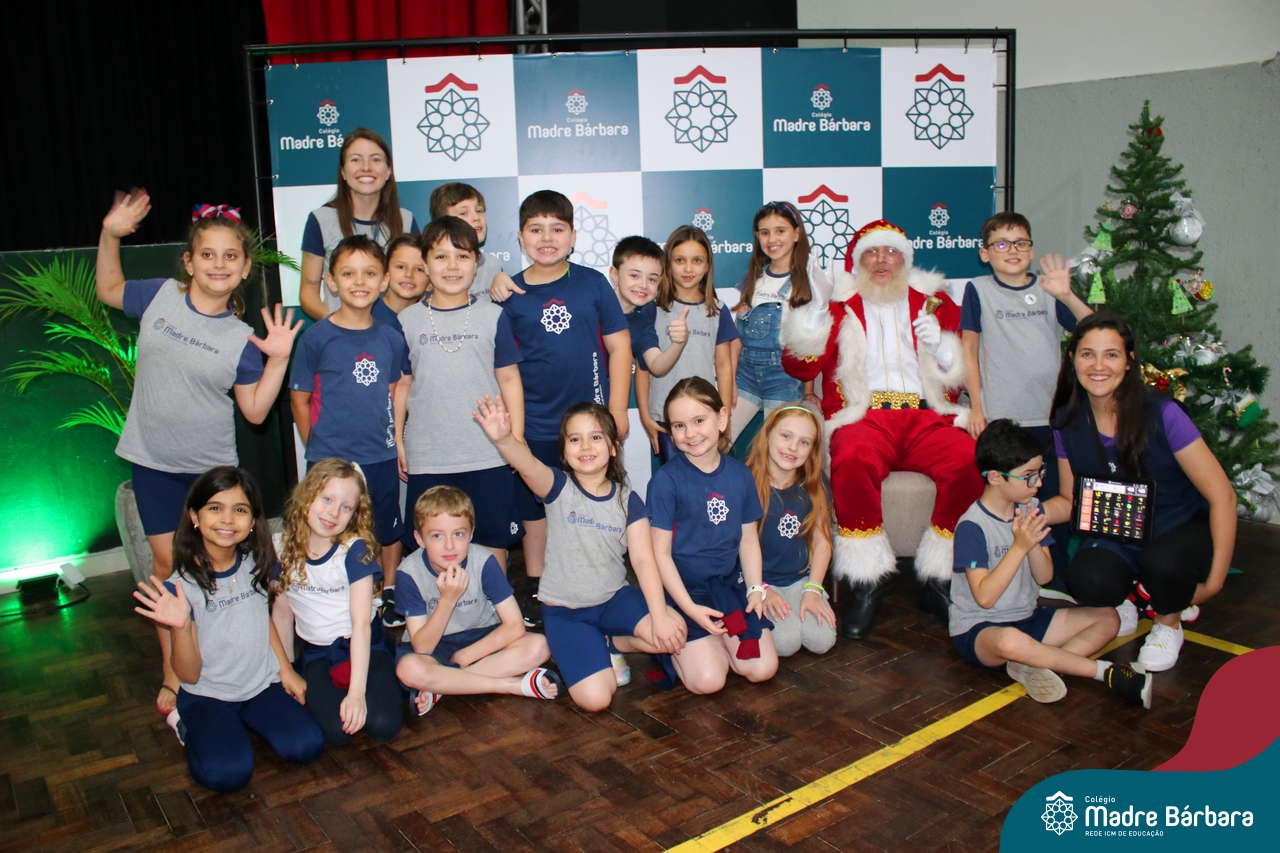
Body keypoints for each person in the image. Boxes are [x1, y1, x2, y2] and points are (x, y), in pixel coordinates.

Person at [97, 190, 300, 716]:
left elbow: (255, 411)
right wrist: (111, 233)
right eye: (207, 254)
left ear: (245, 268)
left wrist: (278, 360)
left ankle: (232, 663)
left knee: (217, 570)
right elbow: (108, 288)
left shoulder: (242, 338)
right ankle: (174, 672)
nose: (218, 264)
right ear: (189, 262)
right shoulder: (159, 296)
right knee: (169, 567)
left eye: (230, 256)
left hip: (209, 475)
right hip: (152, 464)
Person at [780, 219, 984, 641]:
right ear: (858, 262)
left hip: (926, 415)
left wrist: (942, 349)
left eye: (890, 252)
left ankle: (938, 578)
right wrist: (815, 311)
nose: (881, 261)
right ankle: (866, 582)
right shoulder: (840, 305)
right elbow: (797, 366)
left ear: (904, 259)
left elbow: (962, 373)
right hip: (866, 416)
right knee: (853, 459)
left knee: (968, 460)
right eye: (871, 253)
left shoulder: (934, 302)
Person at [1042, 313, 1237, 671]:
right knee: (1087, 578)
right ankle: (1127, 599)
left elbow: (1223, 497)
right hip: (1121, 530)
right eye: (1087, 354)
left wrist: (1214, 584)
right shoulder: (1067, 420)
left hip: (1177, 525)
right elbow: (1070, 500)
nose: (1098, 365)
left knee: (1163, 563)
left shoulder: (1163, 414)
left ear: (1130, 361)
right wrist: (1031, 513)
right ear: (1072, 359)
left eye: (1111, 354)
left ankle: (1168, 621)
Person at [475, 397, 687, 711]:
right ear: (564, 451)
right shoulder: (557, 487)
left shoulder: (628, 500)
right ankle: (595, 644)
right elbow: (527, 464)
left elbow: (644, 561)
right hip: (566, 613)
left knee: (672, 631)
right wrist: (504, 439)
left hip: (614, 600)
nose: (585, 446)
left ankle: (611, 641)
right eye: (575, 439)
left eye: (595, 437)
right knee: (597, 699)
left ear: (613, 447)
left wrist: (659, 617)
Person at [489, 190, 632, 628]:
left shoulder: (592, 283)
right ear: (520, 237)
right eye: (536, 229)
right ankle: (536, 584)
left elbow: (619, 346)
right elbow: (506, 369)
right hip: (535, 424)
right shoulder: (509, 294)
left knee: (593, 501)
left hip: (591, 423)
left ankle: (601, 580)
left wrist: (618, 409)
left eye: (557, 229)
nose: (546, 238)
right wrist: (515, 433)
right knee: (536, 510)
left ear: (572, 236)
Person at [132, 467, 324, 793]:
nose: (227, 519)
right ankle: (186, 726)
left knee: (307, 746)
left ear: (252, 521)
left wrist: (285, 670)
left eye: (240, 510)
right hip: (207, 695)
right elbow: (189, 675)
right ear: (195, 516)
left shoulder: (254, 560)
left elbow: (261, 620)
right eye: (215, 508)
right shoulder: (180, 589)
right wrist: (181, 627)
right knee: (228, 774)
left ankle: (238, 725)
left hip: (259, 686)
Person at [950, 420, 1152, 708]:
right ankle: (1105, 672)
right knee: (1010, 642)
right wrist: (1019, 547)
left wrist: (1031, 542)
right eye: (1028, 476)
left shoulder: (1030, 508)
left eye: (1039, 473)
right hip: (981, 630)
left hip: (1028, 618)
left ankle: (1036, 665)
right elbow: (985, 597)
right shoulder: (972, 526)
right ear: (995, 477)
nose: (1039, 484)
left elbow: (1044, 576)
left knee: (1108, 617)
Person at [959, 212, 1093, 582]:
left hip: (1051, 417)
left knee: (1053, 501)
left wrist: (1066, 294)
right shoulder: (978, 289)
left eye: (1020, 243)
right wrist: (977, 407)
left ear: (1031, 250)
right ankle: (1012, 576)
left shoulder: (1049, 289)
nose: (1012, 250)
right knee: (1010, 499)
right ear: (985, 253)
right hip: (1003, 419)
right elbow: (968, 350)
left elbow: (1096, 330)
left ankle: (1056, 578)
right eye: (1001, 244)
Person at [397, 216, 525, 573]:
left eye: (462, 256)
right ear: (425, 263)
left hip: (487, 452)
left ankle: (496, 605)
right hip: (428, 456)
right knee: (434, 546)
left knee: (493, 541)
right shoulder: (407, 320)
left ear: (477, 262)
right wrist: (398, 440)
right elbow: (402, 385)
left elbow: (510, 379)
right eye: (441, 256)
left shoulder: (494, 316)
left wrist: (515, 440)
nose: (452, 266)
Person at [290, 236, 410, 589]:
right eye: (348, 273)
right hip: (330, 458)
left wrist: (394, 443)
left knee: (386, 528)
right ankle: (331, 593)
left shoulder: (392, 339)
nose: (359, 282)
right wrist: (316, 447)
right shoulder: (316, 338)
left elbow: (392, 395)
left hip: (380, 456)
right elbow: (299, 400)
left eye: (369, 273)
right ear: (331, 281)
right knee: (331, 527)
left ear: (384, 281)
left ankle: (387, 592)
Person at [647, 377, 778, 694]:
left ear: (721, 418)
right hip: (684, 592)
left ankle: (717, 644)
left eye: (698, 421)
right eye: (679, 426)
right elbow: (659, 554)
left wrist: (755, 590)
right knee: (709, 681)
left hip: (727, 588)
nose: (690, 433)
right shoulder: (665, 482)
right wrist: (689, 609)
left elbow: (748, 540)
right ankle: (678, 649)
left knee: (762, 669)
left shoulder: (740, 475)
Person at [271, 460, 404, 744]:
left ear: (355, 514)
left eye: (346, 507)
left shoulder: (354, 551)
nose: (333, 513)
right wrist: (288, 670)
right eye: (327, 499)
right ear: (307, 497)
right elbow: (282, 613)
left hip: (366, 645)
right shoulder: (281, 547)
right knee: (336, 731)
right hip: (317, 653)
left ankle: (404, 682)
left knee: (383, 724)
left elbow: (361, 625)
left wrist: (356, 695)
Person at [394, 486, 561, 712]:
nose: (449, 545)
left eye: (458, 534)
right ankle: (510, 685)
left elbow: (514, 625)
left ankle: (443, 686)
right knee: (409, 669)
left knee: (539, 646)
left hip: (480, 639)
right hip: (434, 646)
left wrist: (466, 656)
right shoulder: (408, 573)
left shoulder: (483, 561)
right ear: (419, 539)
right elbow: (423, 646)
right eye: (436, 536)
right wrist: (447, 600)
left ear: (471, 534)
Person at [730, 201, 833, 442]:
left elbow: (808, 343)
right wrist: (729, 382)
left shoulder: (808, 282)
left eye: (780, 231)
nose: (772, 239)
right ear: (757, 236)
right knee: (719, 438)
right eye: (765, 232)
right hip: (745, 375)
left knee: (777, 446)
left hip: (784, 378)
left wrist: (808, 390)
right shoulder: (753, 277)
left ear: (796, 234)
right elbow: (736, 336)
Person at [636, 226, 739, 462]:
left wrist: (724, 418)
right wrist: (645, 416)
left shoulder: (717, 311)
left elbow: (724, 365)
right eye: (680, 260)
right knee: (675, 478)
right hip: (664, 417)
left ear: (707, 266)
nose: (688, 268)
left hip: (705, 418)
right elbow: (643, 368)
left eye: (697, 260)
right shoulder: (653, 309)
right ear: (668, 263)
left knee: (705, 476)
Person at [745, 406, 837, 657]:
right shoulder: (745, 483)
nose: (793, 447)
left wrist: (813, 589)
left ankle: (804, 599)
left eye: (804, 442)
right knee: (786, 643)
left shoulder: (816, 484)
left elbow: (822, 543)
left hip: (800, 579)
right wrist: (761, 589)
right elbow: (736, 549)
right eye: (786, 436)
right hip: (757, 581)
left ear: (812, 450)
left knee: (822, 641)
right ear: (767, 435)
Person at [299, 129, 419, 320]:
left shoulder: (405, 220)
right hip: (341, 334)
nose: (366, 167)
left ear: (388, 170)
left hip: (395, 332)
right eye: (355, 160)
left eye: (375, 159)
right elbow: (308, 292)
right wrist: (337, 326)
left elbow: (419, 285)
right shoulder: (321, 220)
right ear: (343, 171)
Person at [608, 235, 688, 382]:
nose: (643, 285)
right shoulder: (591, 307)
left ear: (660, 282)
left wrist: (679, 343)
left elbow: (657, 366)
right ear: (615, 275)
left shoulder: (642, 326)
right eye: (634, 275)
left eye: (651, 279)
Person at [429, 181, 515, 300]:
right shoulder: (435, 267)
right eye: (464, 213)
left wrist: (505, 277)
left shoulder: (494, 264)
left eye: (479, 210)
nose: (476, 217)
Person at [377, 233, 429, 321]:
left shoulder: (430, 321)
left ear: (430, 282)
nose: (409, 274)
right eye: (400, 267)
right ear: (386, 272)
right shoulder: (367, 313)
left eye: (419, 269)